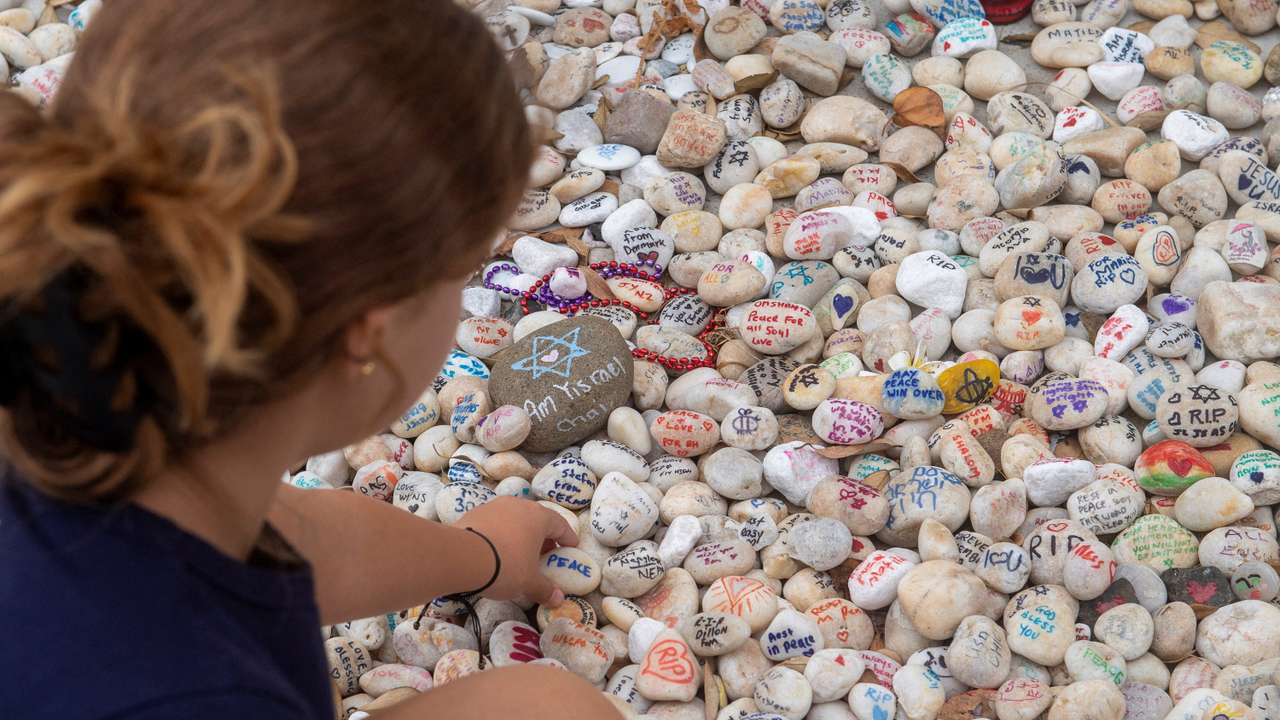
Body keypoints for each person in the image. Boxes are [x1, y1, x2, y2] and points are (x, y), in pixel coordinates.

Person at [0, 2, 622, 718]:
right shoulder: (195, 693)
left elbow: (302, 538)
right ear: (370, 332)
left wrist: (479, 553)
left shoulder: (63, 382)